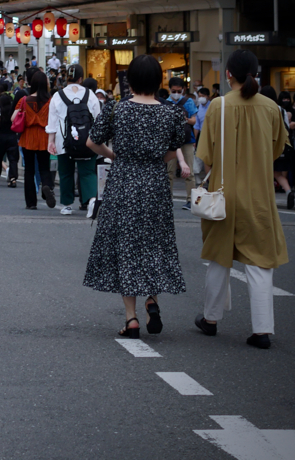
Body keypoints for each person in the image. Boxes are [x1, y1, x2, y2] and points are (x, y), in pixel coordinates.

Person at [84, 54, 189, 338]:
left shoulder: (116, 110)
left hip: (123, 181)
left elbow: (92, 142)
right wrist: (156, 159)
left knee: (126, 245)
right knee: (154, 242)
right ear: (159, 81)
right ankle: (152, 301)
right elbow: (175, 147)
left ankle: (131, 318)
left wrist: (115, 155)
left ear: (129, 81)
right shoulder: (171, 112)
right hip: (155, 183)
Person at [195, 50, 289, 349]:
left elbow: (206, 155)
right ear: (256, 73)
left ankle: (210, 319)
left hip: (224, 193)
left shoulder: (218, 106)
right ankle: (262, 330)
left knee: (219, 258)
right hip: (259, 195)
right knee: (260, 263)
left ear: (228, 75)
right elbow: (276, 151)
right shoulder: (272, 108)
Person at [47, 64, 101, 216]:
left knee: (65, 173)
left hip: (64, 141)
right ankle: (91, 201)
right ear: (81, 78)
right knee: (88, 172)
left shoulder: (58, 96)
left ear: (66, 78)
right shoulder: (90, 95)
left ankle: (67, 204)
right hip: (86, 140)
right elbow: (98, 119)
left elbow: (52, 122)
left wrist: (50, 141)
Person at [14, 71, 56, 210]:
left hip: (28, 137)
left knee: (29, 170)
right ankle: (46, 186)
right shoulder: (50, 101)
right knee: (44, 167)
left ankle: (31, 203)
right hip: (44, 136)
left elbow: (13, 118)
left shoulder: (24, 100)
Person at [165, 77, 199, 203]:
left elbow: (194, 120)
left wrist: (185, 119)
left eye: (179, 91)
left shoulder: (188, 101)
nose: (176, 94)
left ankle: (191, 199)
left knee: (189, 171)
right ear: (169, 89)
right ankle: (168, 199)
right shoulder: (165, 103)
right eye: (174, 91)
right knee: (169, 171)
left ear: (183, 90)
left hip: (187, 140)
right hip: (170, 141)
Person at [0, 84, 20, 189]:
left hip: (0, 137)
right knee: (13, 159)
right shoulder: (12, 111)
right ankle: (13, 178)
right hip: (12, 136)